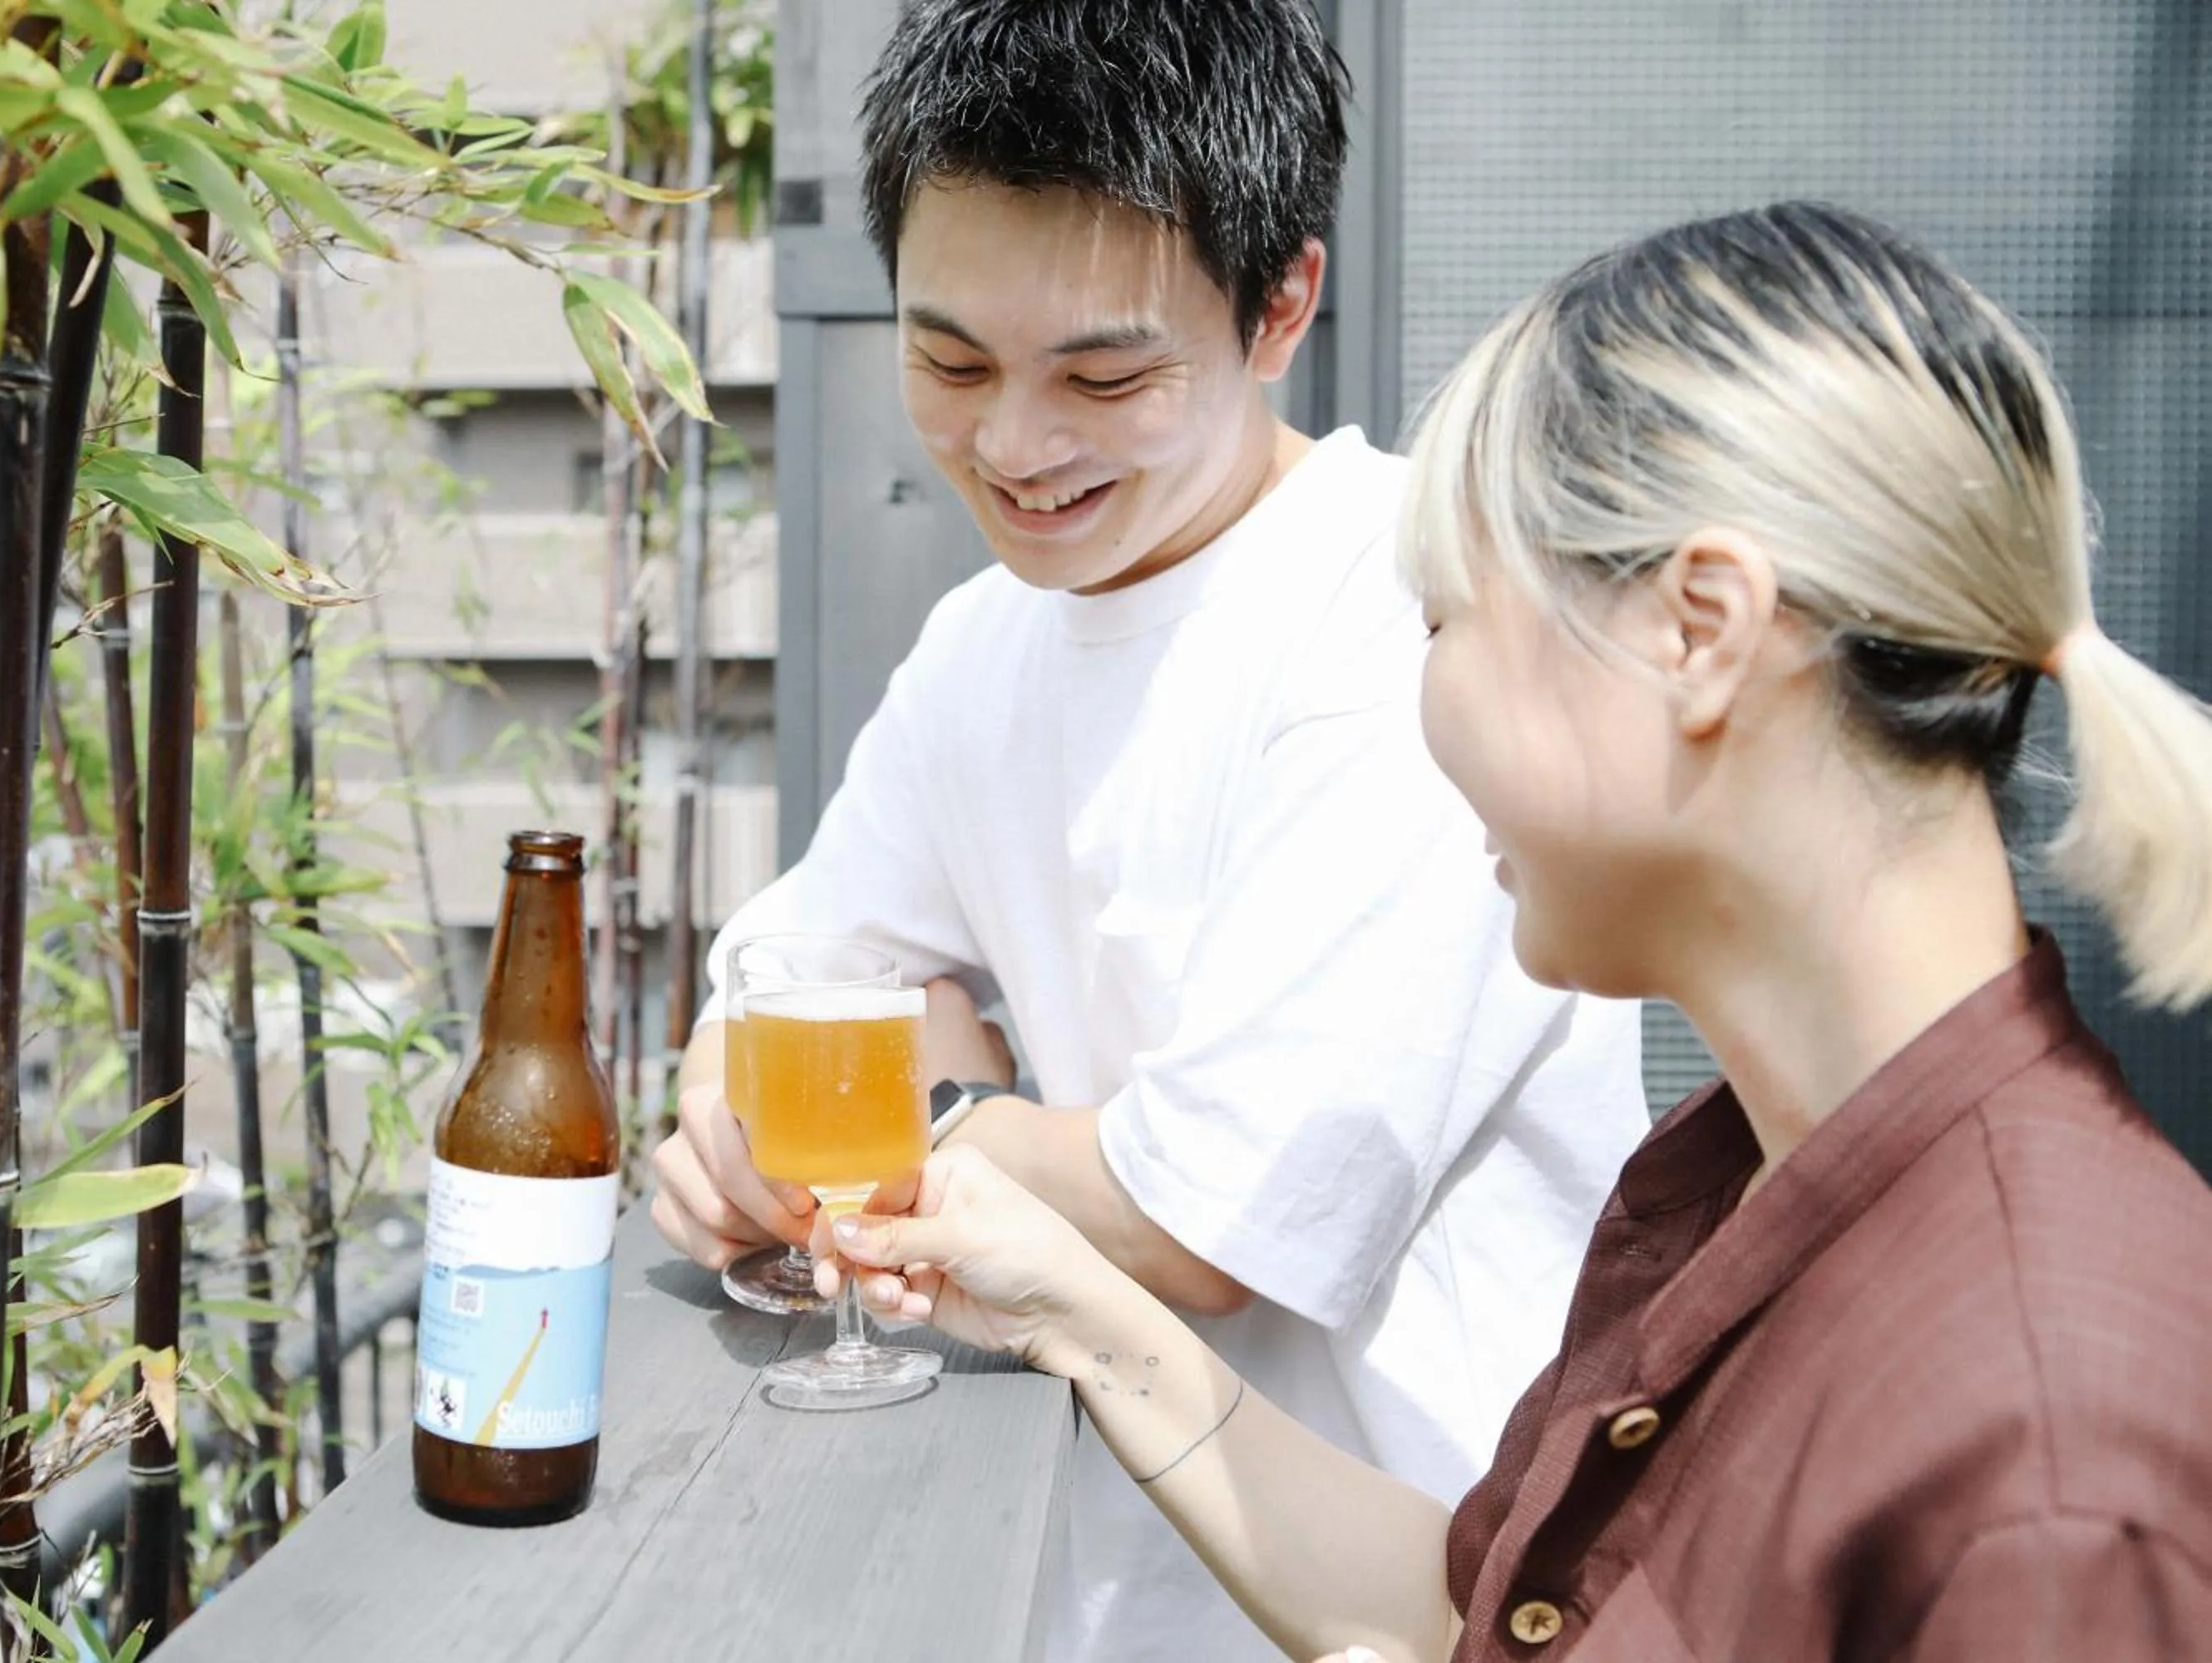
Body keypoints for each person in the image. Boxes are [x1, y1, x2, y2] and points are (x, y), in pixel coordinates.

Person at [818, 200, 2212, 1661]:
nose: (1423, 707)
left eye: (1442, 623)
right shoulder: (1743, 1185)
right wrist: (1065, 1309)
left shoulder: (2052, 1458)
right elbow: (1479, 1615)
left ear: (1702, 631)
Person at [647, 2, 1648, 1658]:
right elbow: (779, 986)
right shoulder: (984, 645)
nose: (1015, 444)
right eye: (950, 359)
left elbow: (1207, 1224)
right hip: (1097, 1582)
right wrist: (767, 1110)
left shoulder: (1414, 621)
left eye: (1103, 374)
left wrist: (913, 1096)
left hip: (1432, 1597)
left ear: (1282, 307)